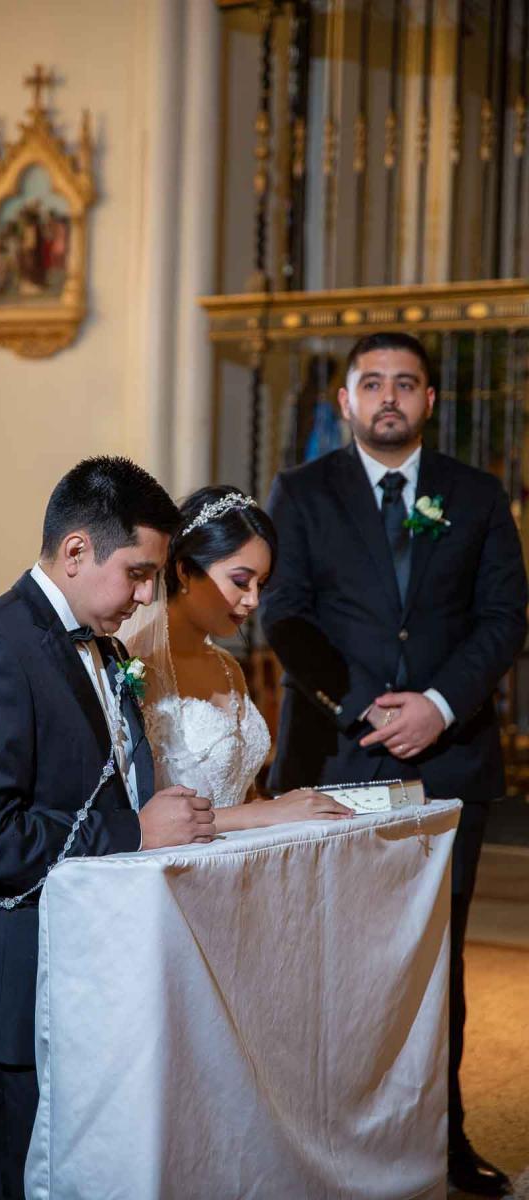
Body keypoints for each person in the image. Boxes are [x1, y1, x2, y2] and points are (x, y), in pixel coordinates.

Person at [261, 331, 527, 1198]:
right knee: (332, 957)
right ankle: (325, 1138)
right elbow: (285, 615)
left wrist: (439, 706)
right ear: (345, 400)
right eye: (371, 382)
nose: (388, 396)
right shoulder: (301, 492)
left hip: (449, 760)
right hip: (336, 756)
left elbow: (504, 617)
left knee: (436, 958)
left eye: (405, 383)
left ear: (429, 401)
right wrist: (367, 704)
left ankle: (443, 1137)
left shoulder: (476, 496)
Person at [0, 456, 217, 1200]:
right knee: (3, 1185)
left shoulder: (104, 647)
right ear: (77, 550)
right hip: (14, 982)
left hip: (87, 970)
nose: (147, 597)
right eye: (138, 574)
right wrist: (135, 833)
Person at [125, 484, 353, 828]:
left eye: (261, 584)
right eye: (241, 581)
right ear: (185, 571)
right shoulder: (134, 669)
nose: (254, 600)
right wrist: (267, 812)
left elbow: (242, 795)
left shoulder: (227, 667)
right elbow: (139, 816)